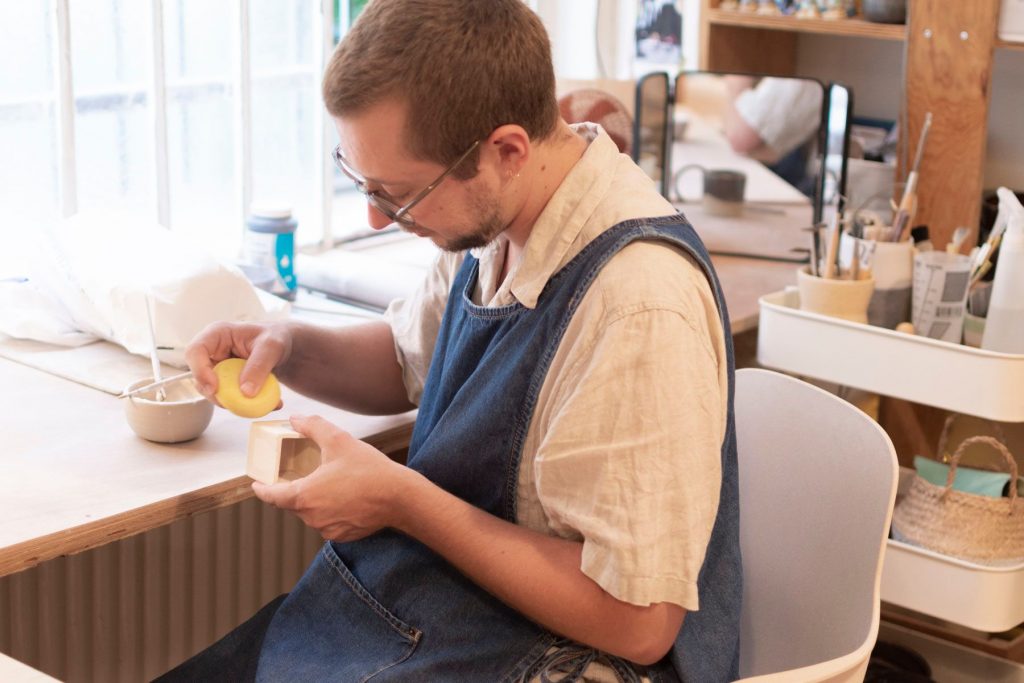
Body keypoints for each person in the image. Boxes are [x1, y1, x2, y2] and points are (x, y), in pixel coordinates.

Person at [161, 1, 741, 680]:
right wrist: (286, 344)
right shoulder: (503, 210)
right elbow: (408, 361)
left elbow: (637, 621)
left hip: (569, 657)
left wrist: (401, 499)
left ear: (506, 150)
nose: (378, 216)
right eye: (363, 183)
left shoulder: (638, 304)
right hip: (454, 620)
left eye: (399, 194)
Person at [722, 74, 823, 193]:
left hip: (806, 185)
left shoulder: (799, 69)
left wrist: (737, 83)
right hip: (800, 176)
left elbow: (740, 138)